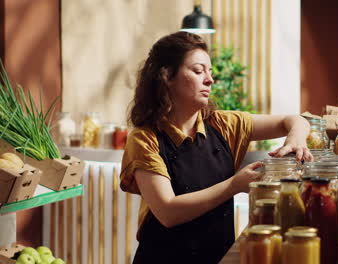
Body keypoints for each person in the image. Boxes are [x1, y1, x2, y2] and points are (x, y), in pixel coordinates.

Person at [119, 31, 312, 264]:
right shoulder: (144, 138)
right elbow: (168, 212)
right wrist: (235, 185)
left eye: (210, 72)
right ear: (167, 76)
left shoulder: (223, 125)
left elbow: (295, 120)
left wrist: (296, 141)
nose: (209, 79)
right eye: (198, 71)